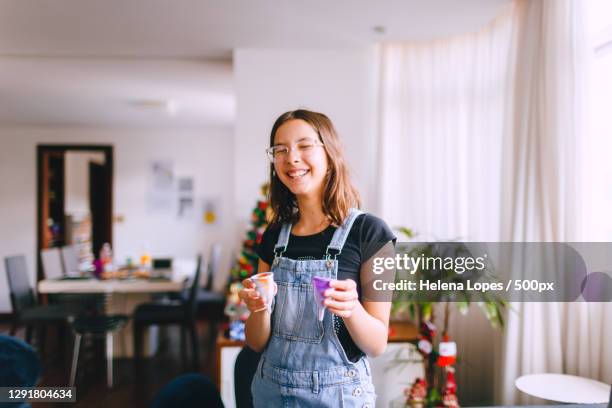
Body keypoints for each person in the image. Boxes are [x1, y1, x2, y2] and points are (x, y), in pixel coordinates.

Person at [240, 109, 396, 407]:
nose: (291, 157)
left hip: (337, 396)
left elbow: (376, 344)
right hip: (270, 393)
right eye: (280, 149)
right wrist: (259, 309)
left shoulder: (369, 233)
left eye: (304, 145)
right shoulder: (273, 236)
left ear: (330, 152)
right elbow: (256, 341)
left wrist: (351, 309)